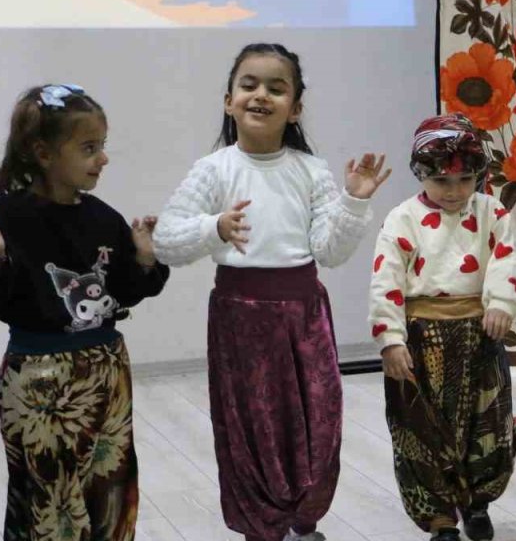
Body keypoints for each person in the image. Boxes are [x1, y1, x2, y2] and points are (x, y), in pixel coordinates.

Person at [153, 43, 390, 541]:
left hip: (305, 316)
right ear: (228, 101)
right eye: (249, 85)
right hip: (240, 319)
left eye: (276, 88)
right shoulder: (213, 169)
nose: (261, 95)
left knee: (319, 423)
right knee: (251, 428)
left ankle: (305, 520)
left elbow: (329, 252)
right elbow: (166, 241)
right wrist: (214, 227)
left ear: (295, 108)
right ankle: (262, 527)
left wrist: (353, 201)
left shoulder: (311, 170)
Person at [0, 84, 170, 538]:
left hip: (108, 371)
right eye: (89, 148)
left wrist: (145, 259)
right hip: (39, 378)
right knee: (48, 499)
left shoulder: (103, 217)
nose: (103, 159)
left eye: (102, 146)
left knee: (110, 487)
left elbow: (127, 289)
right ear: (43, 153)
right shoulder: (5, 219)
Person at [371, 115, 516, 541]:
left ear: (478, 175)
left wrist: (501, 303)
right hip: (422, 338)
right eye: (441, 180)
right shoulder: (402, 218)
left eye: (465, 179)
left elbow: (507, 258)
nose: (454, 191)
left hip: (481, 334)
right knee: (421, 425)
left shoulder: (493, 211)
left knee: (488, 422)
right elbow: (385, 280)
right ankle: (439, 519)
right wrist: (390, 339)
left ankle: (477, 501)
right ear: (421, 174)